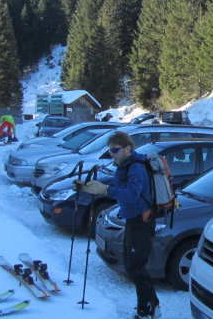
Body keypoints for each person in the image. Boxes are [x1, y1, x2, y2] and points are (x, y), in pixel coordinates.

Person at [74, 131, 160, 319]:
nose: (112, 153)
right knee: (132, 266)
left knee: (136, 267)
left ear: (127, 148)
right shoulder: (123, 166)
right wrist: (90, 187)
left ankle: (148, 310)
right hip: (132, 219)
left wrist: (105, 190)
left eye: (115, 149)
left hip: (142, 222)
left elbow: (132, 194)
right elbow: (118, 190)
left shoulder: (136, 167)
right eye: (110, 150)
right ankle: (151, 305)